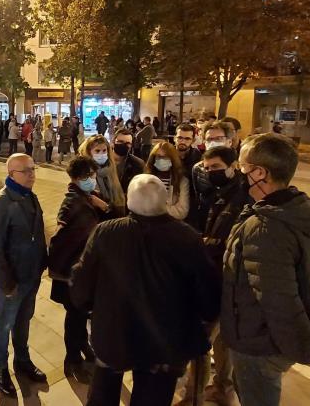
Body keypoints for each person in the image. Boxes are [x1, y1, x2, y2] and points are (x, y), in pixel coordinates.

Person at [221, 134, 310, 406]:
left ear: (259, 173)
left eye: (241, 166)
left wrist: (303, 349)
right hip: (269, 338)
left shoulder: (265, 228)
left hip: (258, 343)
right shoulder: (298, 210)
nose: (237, 172)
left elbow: (279, 301)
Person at [70, 174, 220, 406]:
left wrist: (88, 306)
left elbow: (82, 279)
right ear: (164, 201)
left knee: (103, 393)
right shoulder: (187, 237)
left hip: (114, 333)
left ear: (129, 201)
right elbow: (206, 290)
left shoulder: (106, 232)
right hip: (164, 342)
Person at [176, 146, 248, 406]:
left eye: (216, 168)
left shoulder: (241, 197)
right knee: (222, 339)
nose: (210, 173)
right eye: (206, 169)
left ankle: (194, 397)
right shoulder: (220, 193)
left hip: (222, 279)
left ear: (234, 166)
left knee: (199, 340)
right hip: (218, 275)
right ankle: (222, 388)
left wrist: (207, 245)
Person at [0, 153, 48, 397]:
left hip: (31, 275)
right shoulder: (2, 203)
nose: (32, 174)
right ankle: (1, 367)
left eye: (33, 169)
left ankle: (22, 360)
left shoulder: (29, 196)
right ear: (12, 174)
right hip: (13, 280)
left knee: (24, 320)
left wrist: (43, 262)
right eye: (27, 171)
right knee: (4, 323)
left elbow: (38, 233)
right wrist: (6, 282)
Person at [48, 156, 103, 380]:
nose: (92, 179)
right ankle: (72, 361)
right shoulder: (73, 202)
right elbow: (59, 239)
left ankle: (83, 348)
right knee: (75, 318)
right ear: (75, 178)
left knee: (80, 315)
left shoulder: (87, 197)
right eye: (87, 176)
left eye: (93, 175)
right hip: (72, 275)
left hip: (81, 273)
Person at [191, 121, 235, 230]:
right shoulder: (198, 168)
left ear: (229, 141)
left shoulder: (239, 167)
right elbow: (198, 198)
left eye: (219, 139)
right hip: (206, 222)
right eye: (209, 139)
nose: (213, 142)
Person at [79, 134, 126, 217]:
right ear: (89, 152)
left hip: (112, 212)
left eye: (104, 150)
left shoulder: (110, 167)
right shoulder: (84, 170)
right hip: (94, 215)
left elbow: (117, 191)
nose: (102, 154)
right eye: (97, 151)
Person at [146, 142, 189, 220]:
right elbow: (140, 206)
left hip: (171, 226)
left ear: (172, 159)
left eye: (166, 157)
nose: (162, 160)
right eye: (159, 157)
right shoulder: (145, 179)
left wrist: (153, 210)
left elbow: (182, 211)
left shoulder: (182, 181)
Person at [112, 129, 145, 193]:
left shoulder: (138, 164)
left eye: (128, 143)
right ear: (113, 141)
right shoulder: (102, 161)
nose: (124, 145)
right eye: (120, 142)